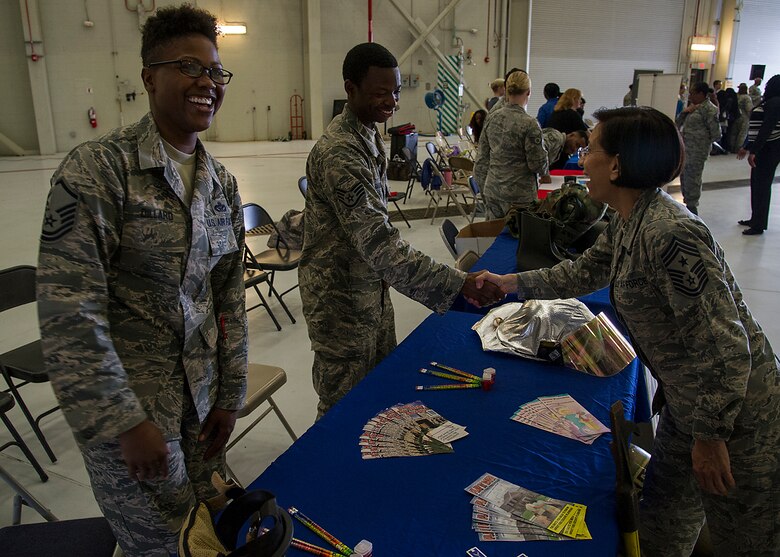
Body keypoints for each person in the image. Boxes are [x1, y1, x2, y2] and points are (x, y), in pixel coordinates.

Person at [477, 106, 780, 557]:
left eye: (592, 150)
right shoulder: (627, 218)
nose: (582, 160)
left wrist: (712, 437)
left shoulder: (670, 234)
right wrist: (513, 284)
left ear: (617, 165)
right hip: (689, 406)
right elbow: (583, 272)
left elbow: (727, 348)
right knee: (660, 527)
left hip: (738, 419)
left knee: (744, 539)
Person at [36, 6, 246, 557]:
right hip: (134, 420)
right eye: (187, 66)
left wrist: (231, 393)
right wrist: (126, 422)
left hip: (200, 411)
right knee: (158, 545)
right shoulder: (97, 171)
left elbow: (229, 297)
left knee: (205, 532)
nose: (207, 82)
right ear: (149, 76)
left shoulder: (220, 182)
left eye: (216, 71)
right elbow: (67, 313)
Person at [299, 43, 503, 418]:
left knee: (378, 393)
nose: (391, 101)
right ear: (350, 89)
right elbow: (381, 246)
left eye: (395, 91)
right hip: (340, 302)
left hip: (370, 291)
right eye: (380, 93)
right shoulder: (341, 153)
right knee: (342, 409)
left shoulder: (366, 133)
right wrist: (457, 285)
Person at [474, 70, 548, 218]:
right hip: (519, 195)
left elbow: (482, 156)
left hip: (493, 189)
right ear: (528, 92)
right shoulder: (530, 124)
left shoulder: (492, 117)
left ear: (507, 90)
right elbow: (538, 165)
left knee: (494, 236)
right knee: (518, 238)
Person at [737, 74, 780, 235]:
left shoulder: (775, 102)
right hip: (764, 148)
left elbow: (767, 128)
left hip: (769, 149)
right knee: (756, 184)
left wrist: (754, 151)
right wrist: (748, 147)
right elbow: (758, 129)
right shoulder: (771, 101)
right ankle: (755, 218)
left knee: (762, 185)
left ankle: (759, 224)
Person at [675, 81, 720, 214]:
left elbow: (716, 134)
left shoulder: (710, 109)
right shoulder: (693, 107)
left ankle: (692, 207)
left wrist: (702, 142)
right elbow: (677, 124)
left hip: (697, 152)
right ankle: (687, 203)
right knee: (684, 177)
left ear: (701, 94)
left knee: (693, 178)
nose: (690, 96)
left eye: (693, 93)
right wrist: (684, 112)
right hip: (686, 149)